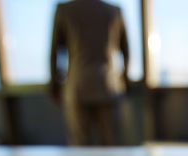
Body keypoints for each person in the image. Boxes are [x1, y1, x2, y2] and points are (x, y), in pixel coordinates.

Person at [49, 0, 129, 146]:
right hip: (109, 88)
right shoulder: (114, 11)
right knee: (112, 149)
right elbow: (126, 51)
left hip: (77, 87)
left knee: (80, 148)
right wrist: (124, 80)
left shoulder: (64, 10)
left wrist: (55, 85)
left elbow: (55, 52)